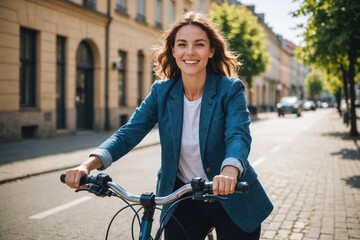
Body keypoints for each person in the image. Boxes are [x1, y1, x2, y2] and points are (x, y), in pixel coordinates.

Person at [65, 11, 273, 240]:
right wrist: (87, 165)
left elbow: (238, 136)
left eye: (199, 45)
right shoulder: (161, 92)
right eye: (182, 44)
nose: (190, 52)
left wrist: (229, 172)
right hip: (184, 198)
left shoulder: (229, 89)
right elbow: (128, 133)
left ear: (211, 51)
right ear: (173, 51)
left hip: (232, 196)